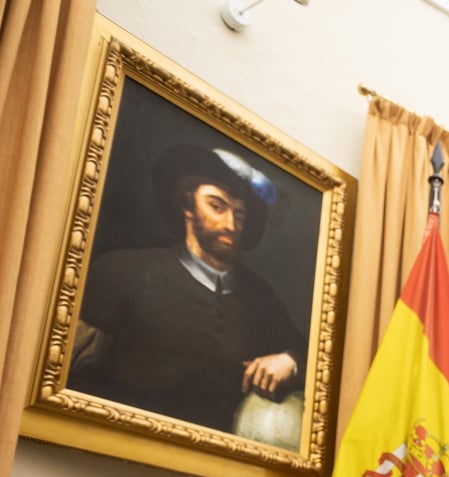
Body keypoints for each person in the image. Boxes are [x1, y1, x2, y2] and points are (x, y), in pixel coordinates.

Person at [68, 144, 306, 434]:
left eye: (240, 215)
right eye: (216, 206)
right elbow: (70, 373)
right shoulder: (124, 270)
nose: (230, 224)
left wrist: (289, 361)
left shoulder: (259, 297)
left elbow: (309, 354)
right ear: (186, 204)